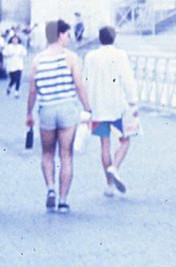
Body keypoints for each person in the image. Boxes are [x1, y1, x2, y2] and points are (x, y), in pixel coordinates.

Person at [25, 19, 91, 212]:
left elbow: (32, 91)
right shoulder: (70, 58)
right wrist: (87, 107)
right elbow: (78, 84)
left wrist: (29, 113)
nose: (69, 38)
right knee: (66, 155)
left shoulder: (37, 60)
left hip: (46, 110)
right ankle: (63, 200)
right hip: (67, 109)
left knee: (47, 153)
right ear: (60, 35)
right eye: (68, 35)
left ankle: (50, 188)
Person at [83, 25, 140, 196]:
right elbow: (127, 79)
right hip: (118, 106)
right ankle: (114, 167)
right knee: (125, 140)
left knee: (104, 145)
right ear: (114, 38)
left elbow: (85, 80)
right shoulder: (120, 55)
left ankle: (109, 185)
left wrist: (87, 106)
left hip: (98, 107)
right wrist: (133, 101)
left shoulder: (90, 56)